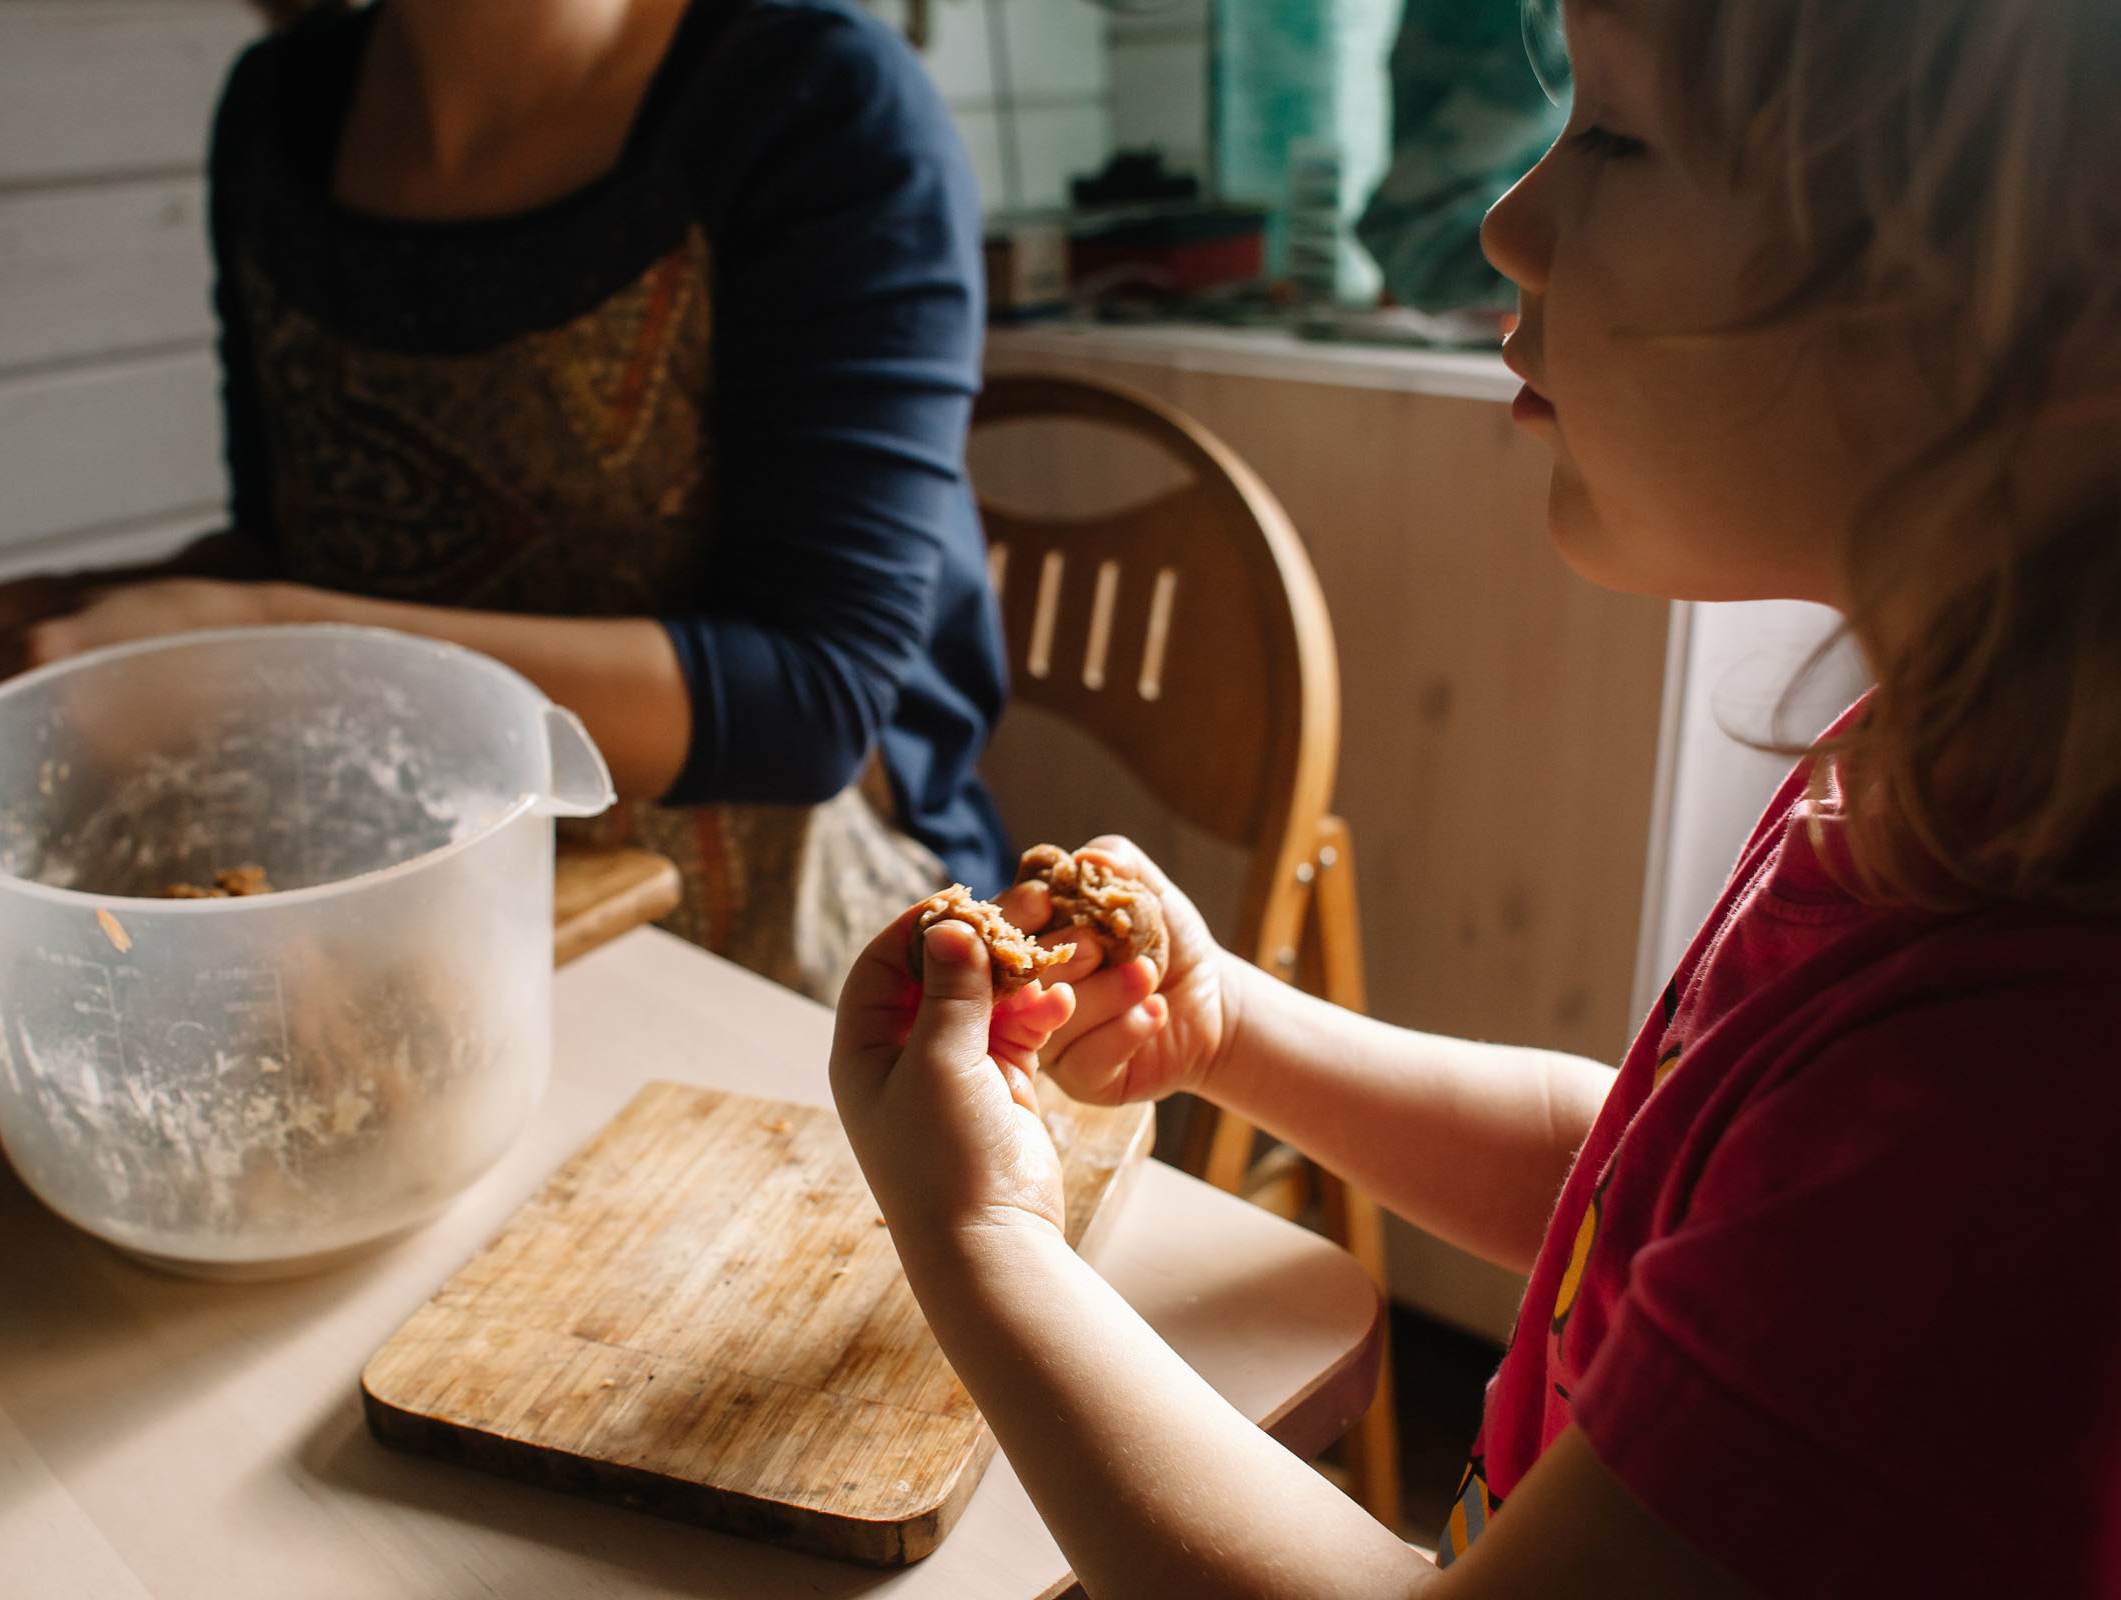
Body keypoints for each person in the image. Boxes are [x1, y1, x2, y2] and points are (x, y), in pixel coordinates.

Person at [829, 0, 2121, 1593]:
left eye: (1622, 138)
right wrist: (1229, 1024)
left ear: (2061, 307)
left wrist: (987, 1245)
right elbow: (1636, 1189)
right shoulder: (1943, 767)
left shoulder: (2013, 1087)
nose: (1510, 222)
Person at [0, 0, 1009, 998]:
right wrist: (108, 611)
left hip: (778, 953)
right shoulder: (279, 107)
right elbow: (303, 550)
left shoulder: (816, 102)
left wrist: (239, 651)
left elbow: (808, 704)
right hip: (380, 893)